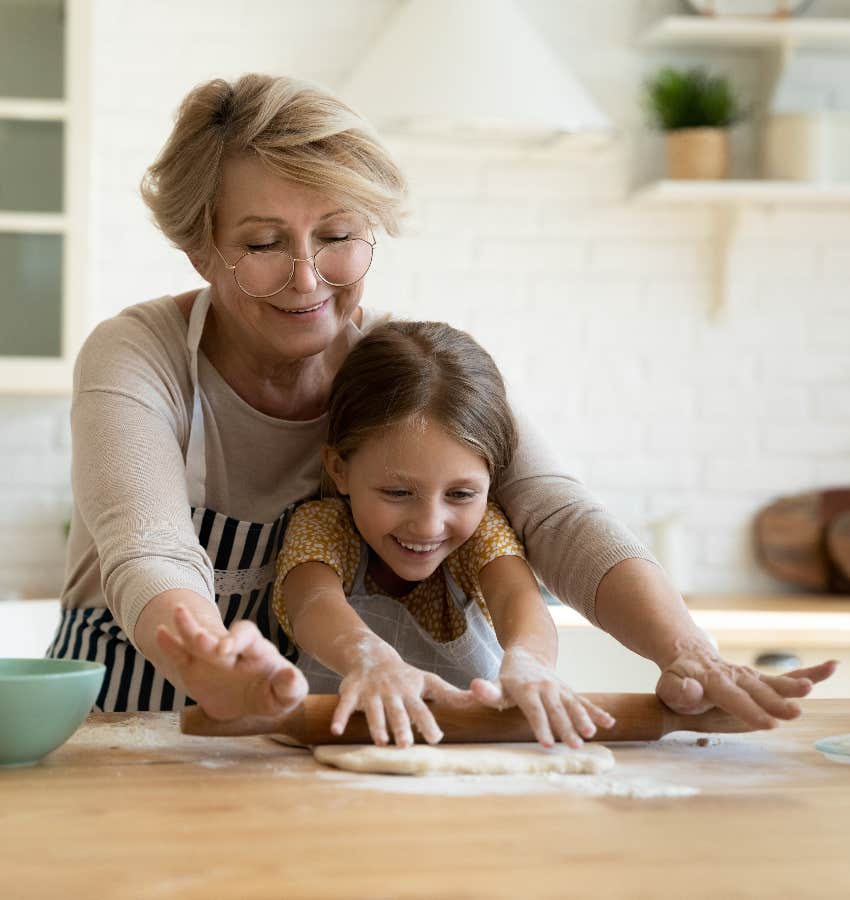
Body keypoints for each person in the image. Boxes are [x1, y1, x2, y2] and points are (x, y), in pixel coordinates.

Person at [49, 72, 835, 726]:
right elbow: (147, 547)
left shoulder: (400, 370)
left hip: (277, 733)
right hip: (119, 727)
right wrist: (211, 659)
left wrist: (688, 653)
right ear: (201, 249)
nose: (307, 277)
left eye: (338, 235)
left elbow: (553, 513)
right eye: (262, 244)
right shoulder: (139, 354)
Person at [265, 319, 614, 748]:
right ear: (339, 469)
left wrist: (531, 661)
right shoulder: (324, 529)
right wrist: (370, 661)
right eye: (397, 492)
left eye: (462, 494)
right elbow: (312, 605)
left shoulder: (481, 533)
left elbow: (517, 599)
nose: (429, 525)